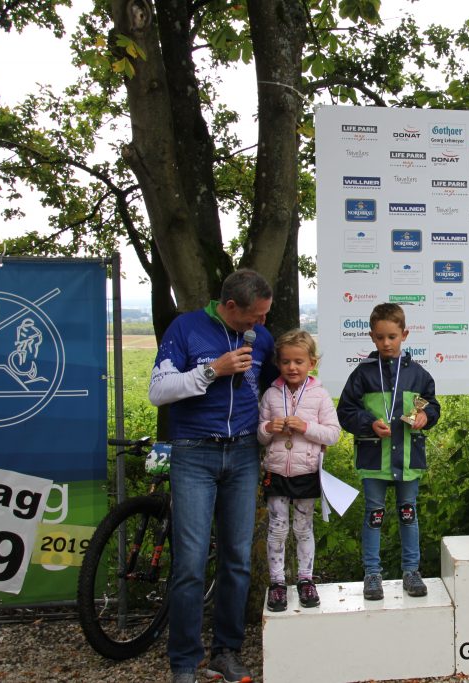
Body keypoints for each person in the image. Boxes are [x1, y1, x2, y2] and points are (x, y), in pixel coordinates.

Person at [149, 269, 277, 683]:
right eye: (255, 315)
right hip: (194, 452)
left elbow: (275, 389)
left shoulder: (262, 338)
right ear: (230, 306)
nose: (261, 323)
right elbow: (158, 392)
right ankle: (185, 662)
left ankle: (226, 652)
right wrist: (212, 370)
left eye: (265, 315)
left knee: (237, 559)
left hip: (243, 453)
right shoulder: (186, 329)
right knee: (189, 562)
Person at [337, 303, 440, 601]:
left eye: (392, 337)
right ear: (371, 337)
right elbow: (345, 411)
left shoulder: (418, 375)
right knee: (374, 514)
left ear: (404, 335)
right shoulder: (362, 374)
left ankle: (411, 571)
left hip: (408, 458)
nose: (386, 343)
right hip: (375, 460)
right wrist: (368, 423)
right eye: (380, 337)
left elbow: (432, 406)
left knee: (409, 513)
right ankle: (372, 574)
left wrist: (425, 417)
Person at [257, 330, 340, 612]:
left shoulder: (320, 395)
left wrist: (305, 427)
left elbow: (333, 434)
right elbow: (260, 435)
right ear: (278, 363)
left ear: (311, 363)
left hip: (306, 472)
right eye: (286, 362)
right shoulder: (271, 394)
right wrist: (269, 428)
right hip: (276, 472)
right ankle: (277, 583)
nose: (292, 367)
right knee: (277, 529)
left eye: (299, 361)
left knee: (303, 528)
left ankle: (306, 580)